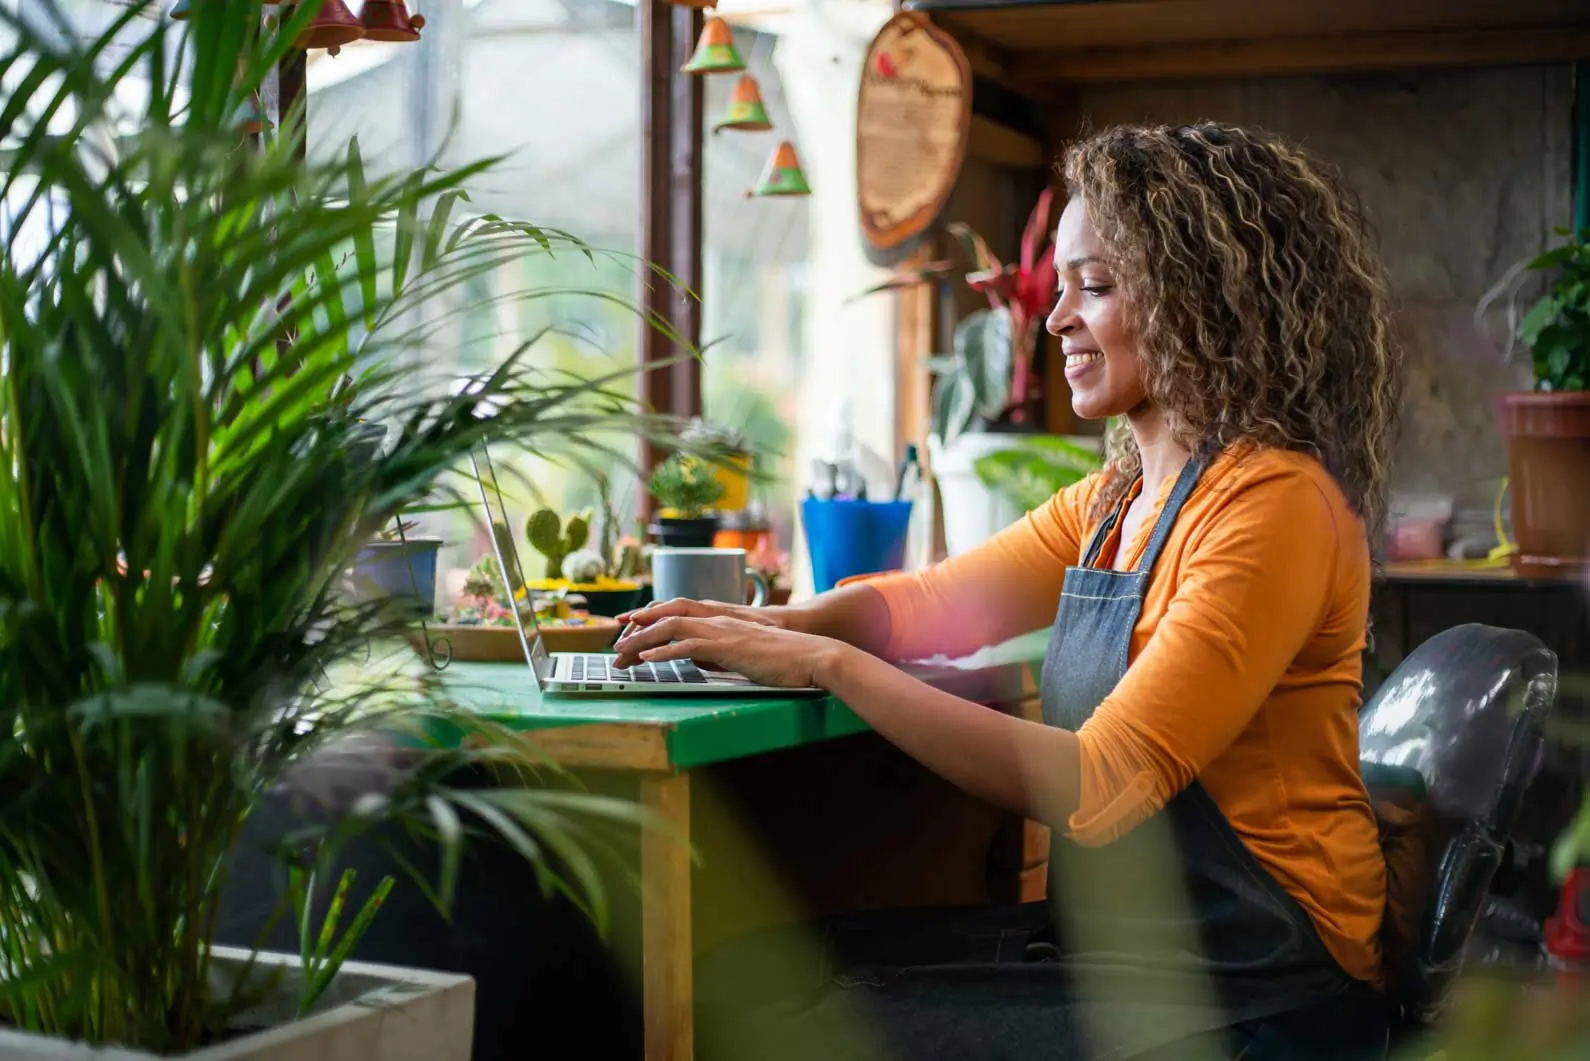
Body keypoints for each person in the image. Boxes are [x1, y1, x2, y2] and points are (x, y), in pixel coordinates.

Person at [615, 121, 1403, 1061]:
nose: (1056, 317)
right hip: (1135, 949)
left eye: (1097, 286)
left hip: (1269, 988)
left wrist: (822, 661)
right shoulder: (1117, 501)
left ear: (1207, 299)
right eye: (1061, 285)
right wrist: (757, 622)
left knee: (785, 1018)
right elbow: (924, 608)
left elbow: (1101, 783)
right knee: (750, 978)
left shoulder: (1273, 506)